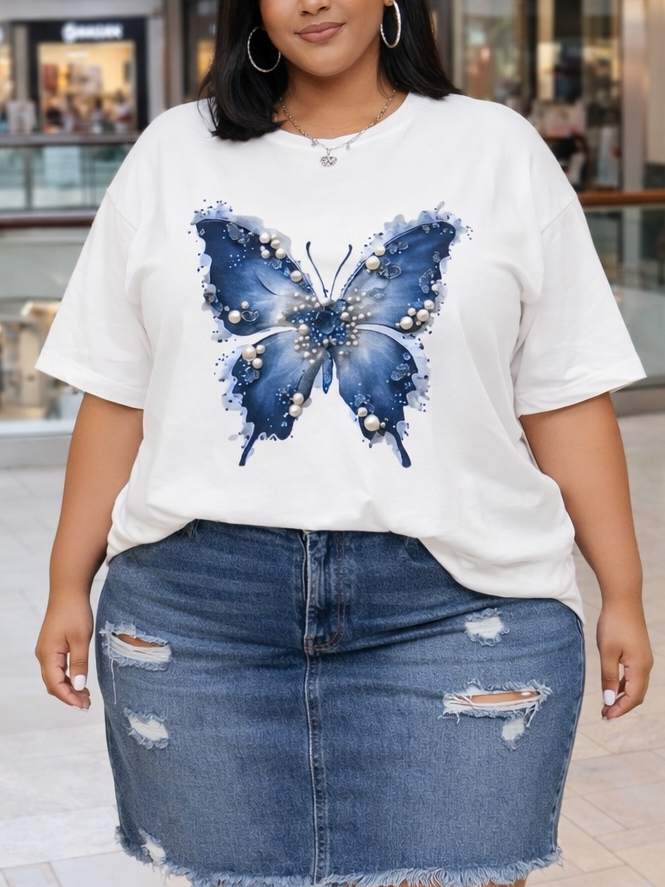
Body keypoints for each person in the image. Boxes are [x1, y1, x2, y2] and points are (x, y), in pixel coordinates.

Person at [35, 2, 653, 887]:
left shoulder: (496, 149)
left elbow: (562, 396)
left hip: (462, 605)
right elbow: (116, 397)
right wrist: (67, 581)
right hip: (202, 616)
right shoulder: (171, 153)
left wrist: (621, 591)